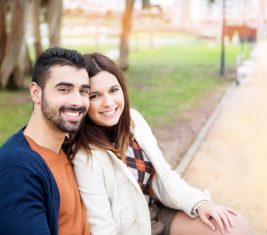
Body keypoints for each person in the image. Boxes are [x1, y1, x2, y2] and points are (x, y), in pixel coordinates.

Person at [70, 52, 252, 235]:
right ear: (83, 100)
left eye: (113, 90)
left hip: (159, 213)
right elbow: (101, 227)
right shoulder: (85, 156)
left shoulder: (135, 120)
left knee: (234, 225)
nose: (108, 103)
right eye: (95, 96)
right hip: (133, 229)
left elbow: (165, 175)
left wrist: (200, 203)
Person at [0, 47, 91, 235]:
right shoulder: (17, 168)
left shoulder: (68, 149)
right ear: (36, 92)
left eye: (84, 91)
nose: (77, 101)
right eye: (64, 89)